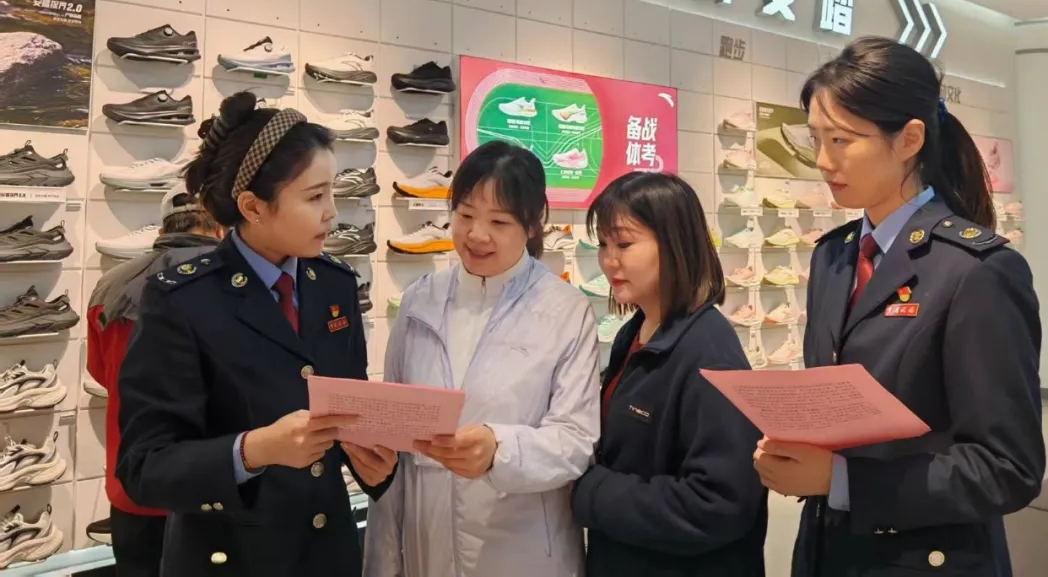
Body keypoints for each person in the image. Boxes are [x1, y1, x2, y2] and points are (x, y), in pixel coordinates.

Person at [753, 37, 1043, 577]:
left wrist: (841, 480)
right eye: (815, 139)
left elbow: (1007, 468)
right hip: (828, 551)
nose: (823, 161)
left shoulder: (976, 271)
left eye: (841, 140)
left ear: (909, 139)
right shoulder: (832, 256)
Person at [116, 92, 397, 577]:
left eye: (332, 192)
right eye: (314, 197)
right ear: (253, 206)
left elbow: (345, 410)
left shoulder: (334, 285)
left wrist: (373, 465)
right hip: (233, 558)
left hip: (328, 555)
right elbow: (144, 468)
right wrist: (253, 450)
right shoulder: (182, 299)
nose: (332, 213)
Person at [364, 140, 600, 577]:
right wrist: (384, 564)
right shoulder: (419, 302)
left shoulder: (565, 311)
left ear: (534, 224)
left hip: (525, 553)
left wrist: (499, 451)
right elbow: (395, 442)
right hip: (428, 549)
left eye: (499, 221)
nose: (476, 235)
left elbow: (575, 441)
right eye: (465, 214)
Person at [570, 171, 767, 577]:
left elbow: (718, 503)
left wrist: (589, 491)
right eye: (603, 244)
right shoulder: (635, 332)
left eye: (624, 244)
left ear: (675, 243)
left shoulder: (709, 352)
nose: (609, 260)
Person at [85, 184, 225, 577]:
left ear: (161, 231)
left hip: (133, 488)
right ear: (219, 229)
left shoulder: (110, 285)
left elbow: (101, 374)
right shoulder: (240, 283)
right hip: (215, 489)